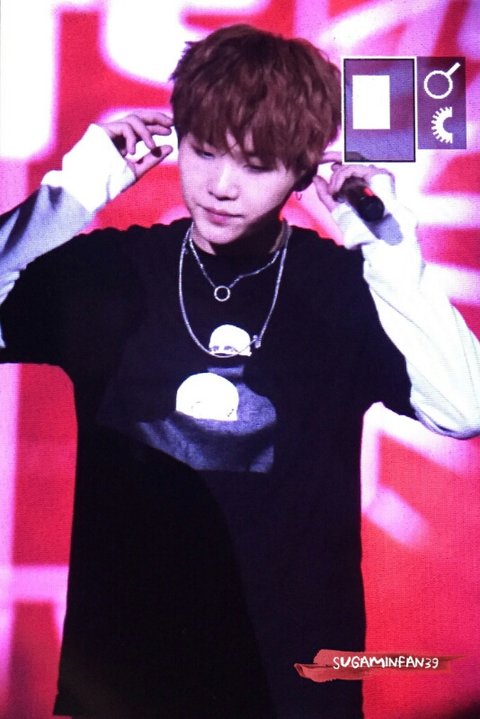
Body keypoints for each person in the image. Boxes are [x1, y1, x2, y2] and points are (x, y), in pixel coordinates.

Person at [0, 23, 479, 719]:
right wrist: (71, 193)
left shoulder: (342, 290)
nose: (221, 186)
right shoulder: (114, 272)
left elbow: (464, 408)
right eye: (204, 150)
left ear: (304, 170)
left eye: (256, 165)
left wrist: (385, 246)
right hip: (123, 688)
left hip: (293, 692)